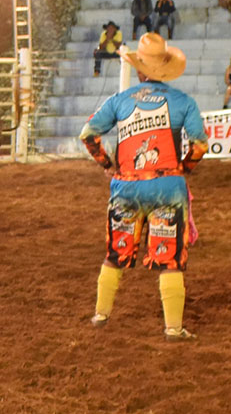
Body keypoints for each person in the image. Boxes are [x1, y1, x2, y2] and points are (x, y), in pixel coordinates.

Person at [80, 32, 207, 342]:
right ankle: (173, 328)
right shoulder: (183, 102)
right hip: (167, 188)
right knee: (170, 260)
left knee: (115, 254)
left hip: (126, 186)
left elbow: (88, 134)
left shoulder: (119, 100)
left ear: (139, 69)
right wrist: (183, 168)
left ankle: (101, 315)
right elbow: (200, 145)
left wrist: (107, 164)